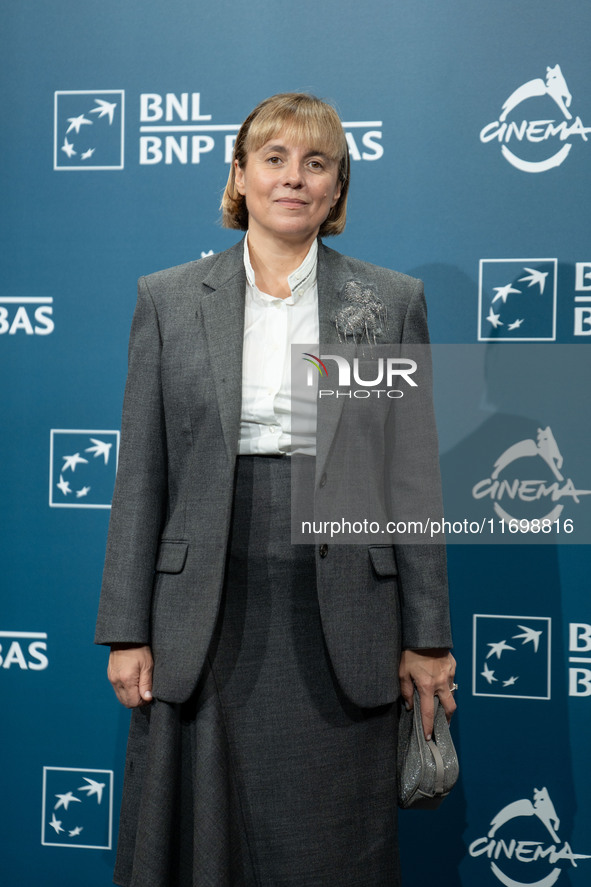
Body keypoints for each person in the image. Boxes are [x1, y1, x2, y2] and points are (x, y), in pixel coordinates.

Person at [96, 92, 456, 887]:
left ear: (336, 189)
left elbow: (411, 481)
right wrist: (126, 625)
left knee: (332, 844)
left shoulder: (387, 303)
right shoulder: (168, 299)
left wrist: (427, 634)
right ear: (240, 175)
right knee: (199, 839)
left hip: (344, 615)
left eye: (316, 162)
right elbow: (142, 474)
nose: (294, 178)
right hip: (203, 612)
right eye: (275, 158)